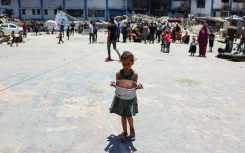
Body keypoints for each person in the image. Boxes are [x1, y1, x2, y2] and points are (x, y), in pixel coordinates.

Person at [110, 51, 143, 142]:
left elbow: (134, 87)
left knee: (129, 116)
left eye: (128, 64)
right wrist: (114, 84)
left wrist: (139, 87)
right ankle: (125, 132)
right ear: (121, 63)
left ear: (132, 63)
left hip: (130, 98)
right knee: (123, 116)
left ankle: (132, 130)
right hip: (121, 98)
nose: (126, 66)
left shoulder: (134, 74)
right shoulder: (118, 74)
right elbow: (118, 86)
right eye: (124, 64)